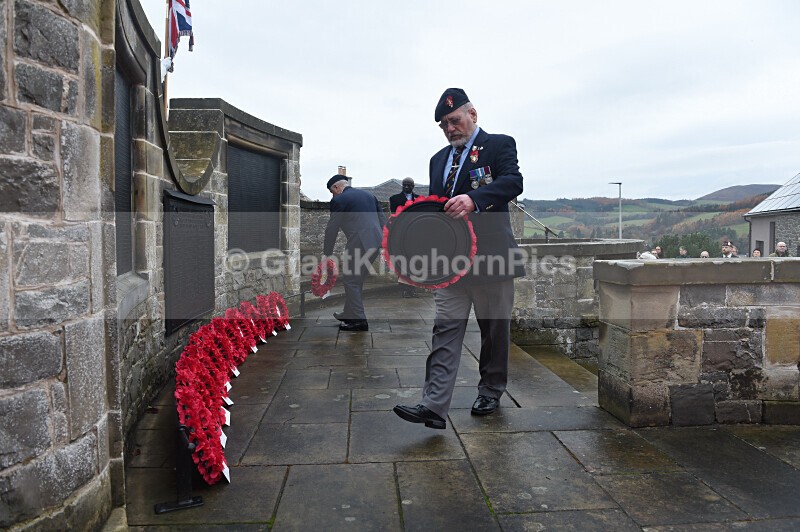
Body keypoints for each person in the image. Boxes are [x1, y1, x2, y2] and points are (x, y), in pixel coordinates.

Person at [394, 88, 524, 430]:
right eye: (443, 124)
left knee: (493, 331)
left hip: (492, 261)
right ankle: (433, 406)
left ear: (473, 115)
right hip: (449, 266)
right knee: (445, 330)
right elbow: (437, 211)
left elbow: (513, 182)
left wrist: (474, 199)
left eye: (454, 120)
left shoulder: (498, 145)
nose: (450, 128)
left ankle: (491, 389)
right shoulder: (438, 160)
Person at [324, 175, 386, 331]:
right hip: (375, 243)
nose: (333, 195)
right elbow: (383, 220)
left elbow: (332, 228)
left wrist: (327, 254)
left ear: (337, 187)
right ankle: (349, 312)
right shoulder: (369, 195)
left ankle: (359, 321)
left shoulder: (339, 200)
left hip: (359, 242)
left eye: (332, 192)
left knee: (351, 280)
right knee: (355, 279)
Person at [389, 178, 420, 298]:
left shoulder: (419, 198)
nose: (407, 187)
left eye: (409, 185)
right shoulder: (394, 199)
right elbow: (394, 215)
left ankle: (412, 288)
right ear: (402, 186)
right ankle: (404, 289)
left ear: (413, 186)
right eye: (405, 185)